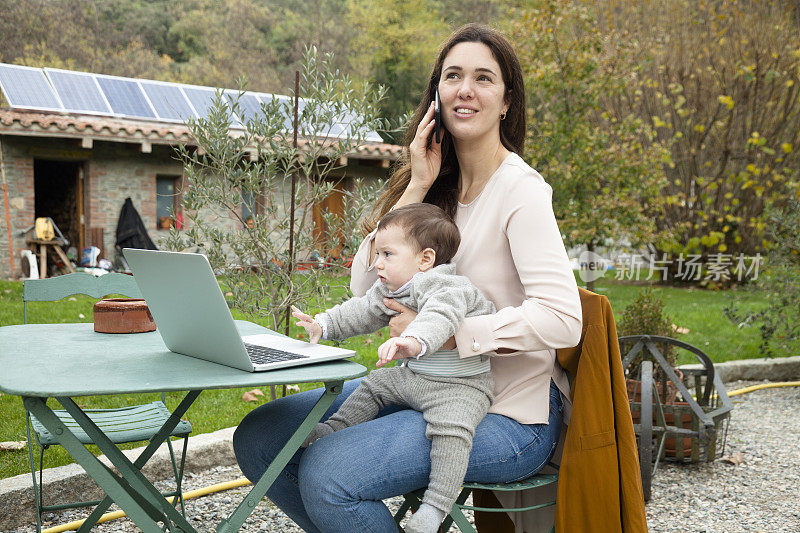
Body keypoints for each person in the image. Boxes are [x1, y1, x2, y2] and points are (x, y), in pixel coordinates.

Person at [233, 23, 582, 533]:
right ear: (436, 95)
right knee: (263, 437)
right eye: (453, 76)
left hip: (506, 411)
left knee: (332, 471)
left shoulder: (521, 191)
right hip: (414, 385)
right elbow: (362, 287)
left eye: (484, 78)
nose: (465, 89)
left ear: (506, 102)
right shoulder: (434, 188)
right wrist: (417, 182)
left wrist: (445, 337)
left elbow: (563, 318)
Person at [292, 203, 496, 533]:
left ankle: (435, 507)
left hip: (460, 387)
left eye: (387, 254)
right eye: (377, 254)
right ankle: (334, 428)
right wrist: (324, 325)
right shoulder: (390, 290)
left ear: (425, 259)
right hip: (415, 377)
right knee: (374, 384)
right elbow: (360, 312)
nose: (377, 263)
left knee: (452, 433)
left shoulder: (450, 288)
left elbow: (438, 319)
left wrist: (412, 340)